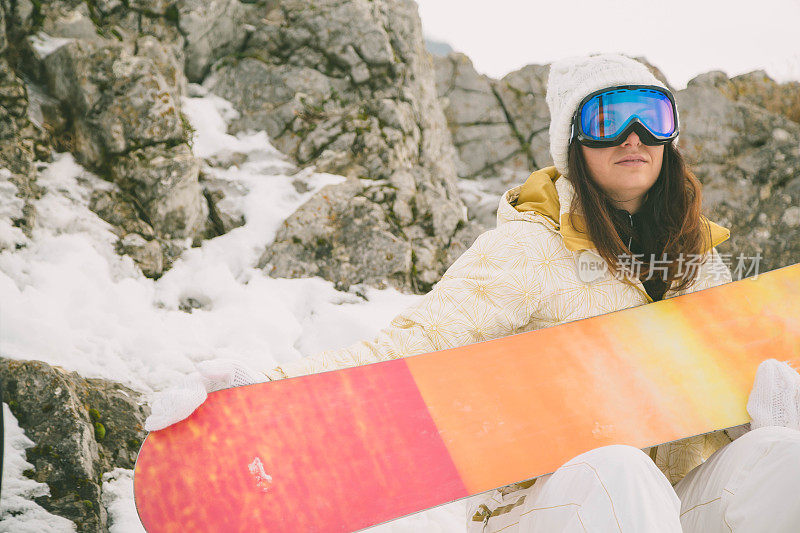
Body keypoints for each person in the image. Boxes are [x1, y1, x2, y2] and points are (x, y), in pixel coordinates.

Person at [145, 53, 800, 531]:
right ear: (573, 143)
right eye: (606, 117)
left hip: (676, 500)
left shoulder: (700, 265)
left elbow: (711, 395)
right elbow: (418, 339)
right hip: (548, 506)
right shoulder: (528, 249)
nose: (633, 136)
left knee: (782, 458)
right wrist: (263, 391)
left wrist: (761, 409)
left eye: (651, 116)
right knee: (619, 470)